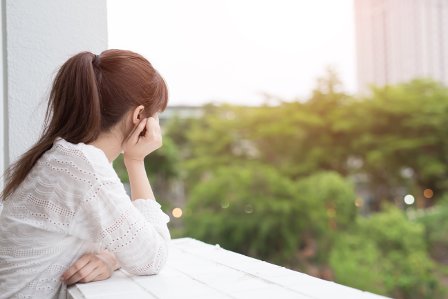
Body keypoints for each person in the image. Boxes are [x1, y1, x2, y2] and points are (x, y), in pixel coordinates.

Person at [0, 49, 171, 298]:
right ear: (139, 117)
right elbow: (153, 257)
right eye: (156, 116)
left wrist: (109, 259)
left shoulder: (64, 158)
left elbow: (120, 240)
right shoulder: (83, 168)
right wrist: (136, 161)